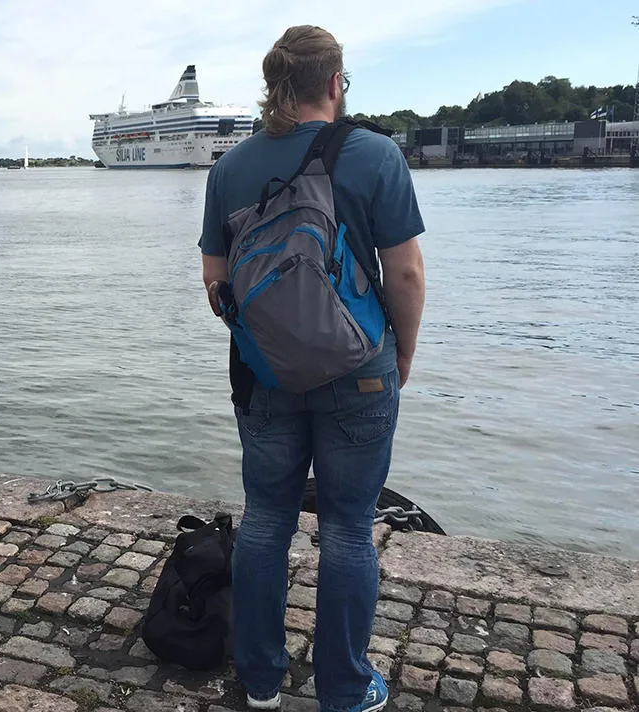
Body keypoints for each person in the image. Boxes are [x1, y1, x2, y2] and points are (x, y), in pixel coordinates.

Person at [197, 25, 426, 712]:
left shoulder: (228, 168)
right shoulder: (374, 154)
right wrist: (403, 351)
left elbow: (215, 285)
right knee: (349, 529)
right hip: (360, 371)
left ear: (274, 87)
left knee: (266, 518)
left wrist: (276, 340)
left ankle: (261, 682)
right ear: (335, 83)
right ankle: (346, 691)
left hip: (264, 375)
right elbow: (406, 273)